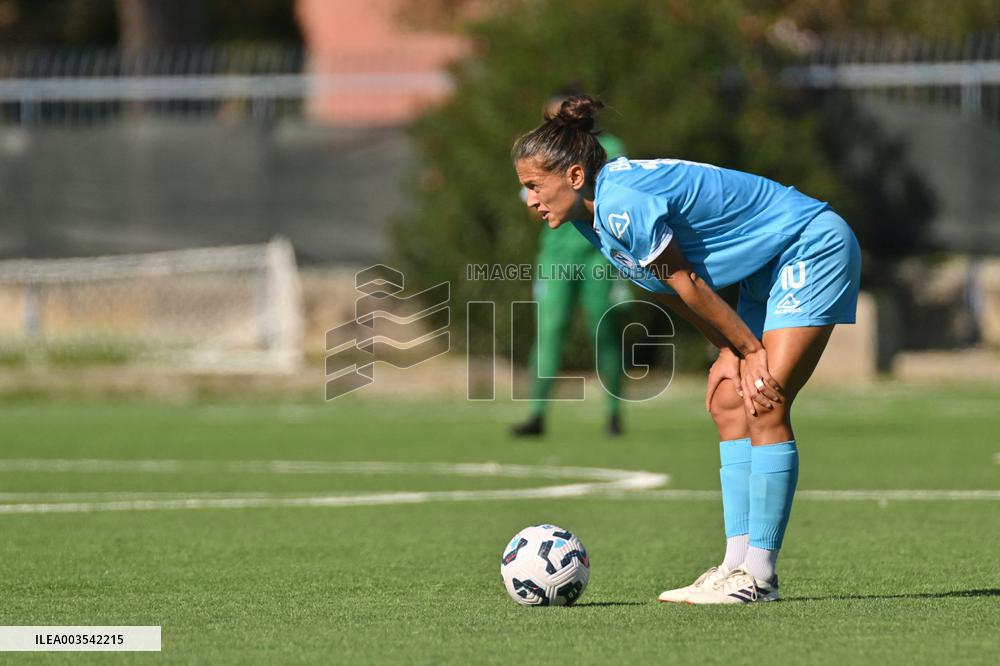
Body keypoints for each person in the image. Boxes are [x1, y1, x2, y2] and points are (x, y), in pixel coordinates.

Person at [511, 95, 861, 604]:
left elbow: (687, 278)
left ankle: (759, 577)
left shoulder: (620, 200)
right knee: (727, 402)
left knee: (765, 397)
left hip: (809, 244)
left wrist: (748, 350)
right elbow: (670, 290)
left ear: (574, 176)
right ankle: (734, 566)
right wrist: (728, 350)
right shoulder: (592, 218)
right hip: (768, 264)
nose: (530, 201)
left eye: (534, 186)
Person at [512, 92, 628, 438]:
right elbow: (534, 207)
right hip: (556, 258)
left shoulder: (609, 149)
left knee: (605, 330)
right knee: (549, 331)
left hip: (599, 256)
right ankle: (536, 413)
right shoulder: (538, 156)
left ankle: (613, 412)